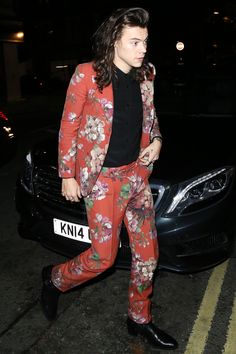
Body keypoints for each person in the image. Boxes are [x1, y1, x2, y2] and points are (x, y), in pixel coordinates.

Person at [41, 7, 178, 350]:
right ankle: (55, 279)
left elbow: (151, 117)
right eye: (134, 42)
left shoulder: (146, 74)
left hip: (137, 175)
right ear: (114, 41)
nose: (142, 49)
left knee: (148, 256)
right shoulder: (87, 75)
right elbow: (68, 127)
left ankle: (139, 318)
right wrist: (67, 174)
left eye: (145, 41)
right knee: (103, 257)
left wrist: (157, 140)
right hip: (102, 180)